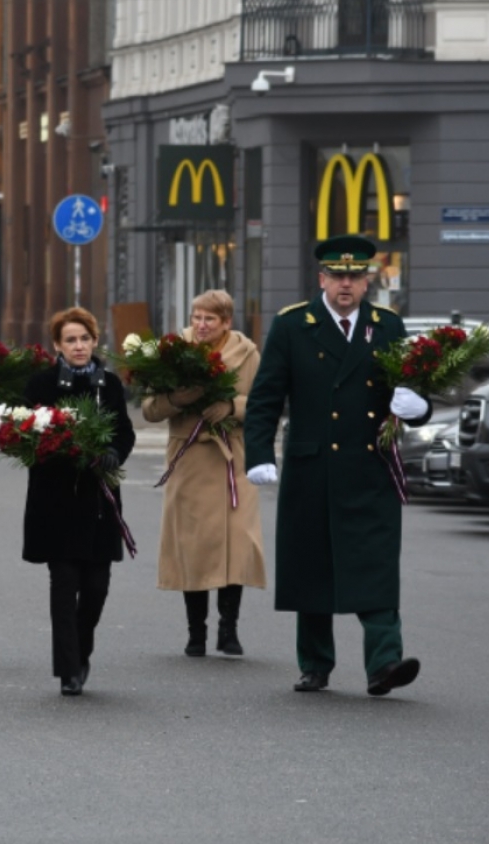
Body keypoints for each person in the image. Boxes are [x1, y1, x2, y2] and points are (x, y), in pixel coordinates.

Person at [244, 235, 432, 697]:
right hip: (314, 467)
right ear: (321, 278)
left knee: (376, 563)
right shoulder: (293, 325)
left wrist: (417, 405)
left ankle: (384, 663)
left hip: (370, 467)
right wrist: (260, 454)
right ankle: (315, 664)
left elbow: (413, 388)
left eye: (355, 276)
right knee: (313, 565)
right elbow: (267, 396)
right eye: (337, 276)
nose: (346, 285)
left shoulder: (387, 326)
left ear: (369, 280)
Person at [142, 290, 266, 658]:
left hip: (232, 457)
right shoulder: (173, 354)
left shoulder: (248, 354)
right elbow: (149, 409)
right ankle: (196, 632)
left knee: (238, 542)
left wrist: (231, 405)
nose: (200, 325)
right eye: (196, 317)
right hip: (189, 456)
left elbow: (264, 401)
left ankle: (229, 629)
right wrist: (177, 399)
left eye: (209, 319)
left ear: (226, 322)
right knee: (192, 546)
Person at [20, 307, 136, 696]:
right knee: (63, 584)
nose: (79, 346)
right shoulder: (41, 384)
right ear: (58, 345)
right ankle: (68, 669)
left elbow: (125, 432)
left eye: (84, 338)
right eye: (70, 340)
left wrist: (114, 454)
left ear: (94, 341)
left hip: (99, 500)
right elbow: (26, 434)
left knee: (97, 588)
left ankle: (81, 651)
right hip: (55, 502)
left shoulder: (110, 384)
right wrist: (55, 447)